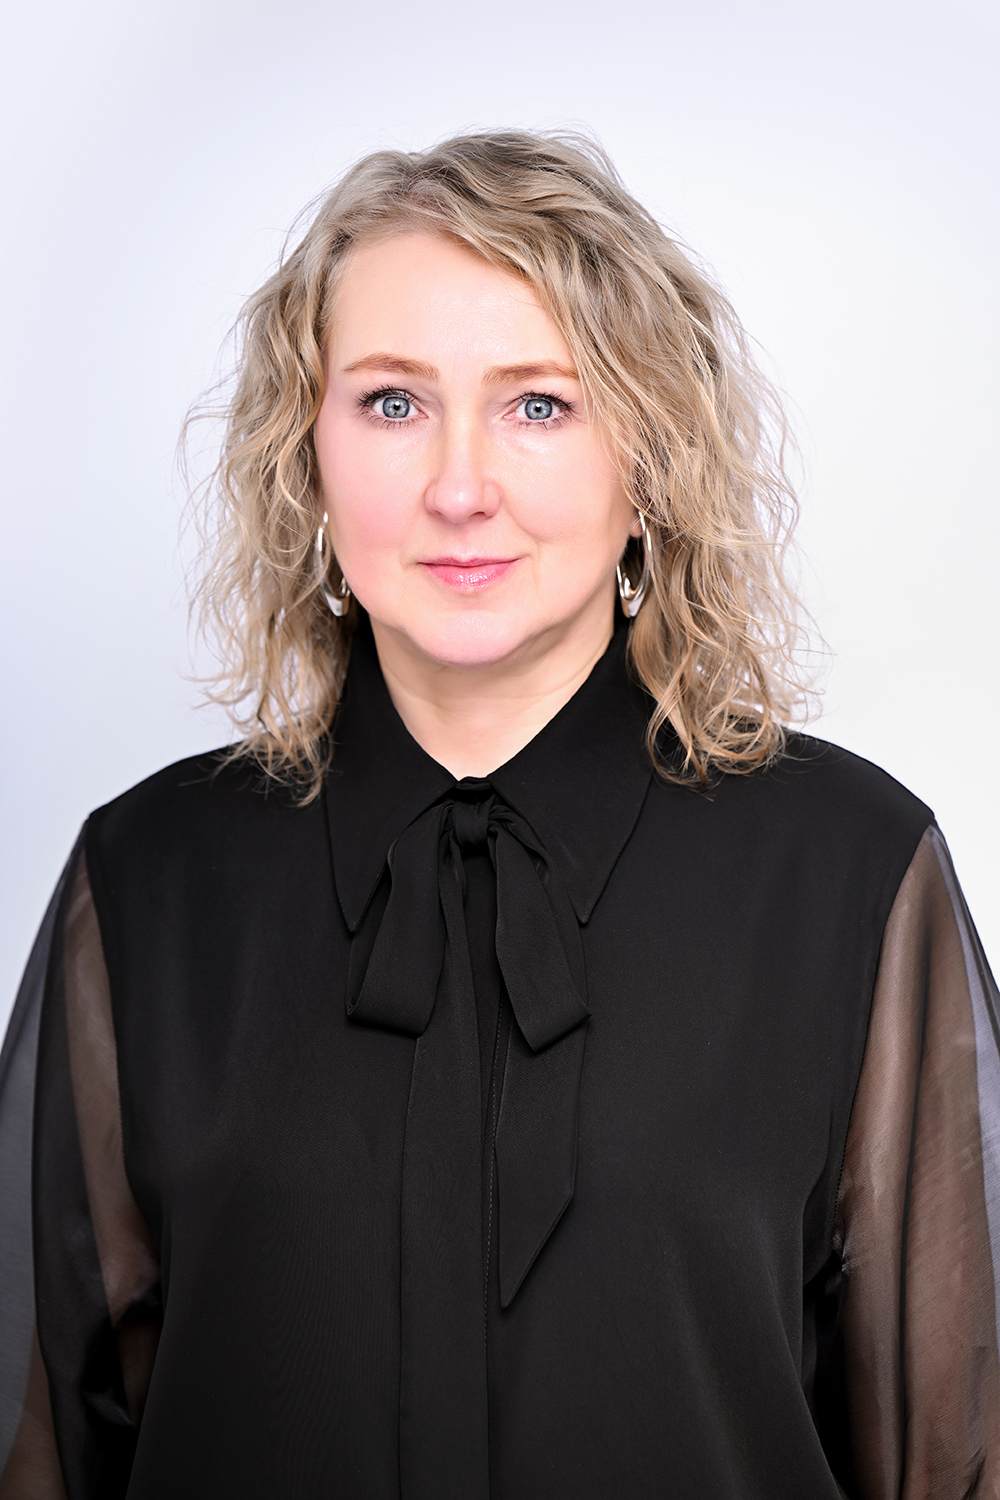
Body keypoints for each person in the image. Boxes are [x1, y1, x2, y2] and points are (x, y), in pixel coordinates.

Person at [0, 130, 996, 1500]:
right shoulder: (147, 882)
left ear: (648, 456)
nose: (460, 488)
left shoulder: (851, 872)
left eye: (539, 405)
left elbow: (955, 1457)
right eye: (391, 402)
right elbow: (44, 1445)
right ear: (307, 454)